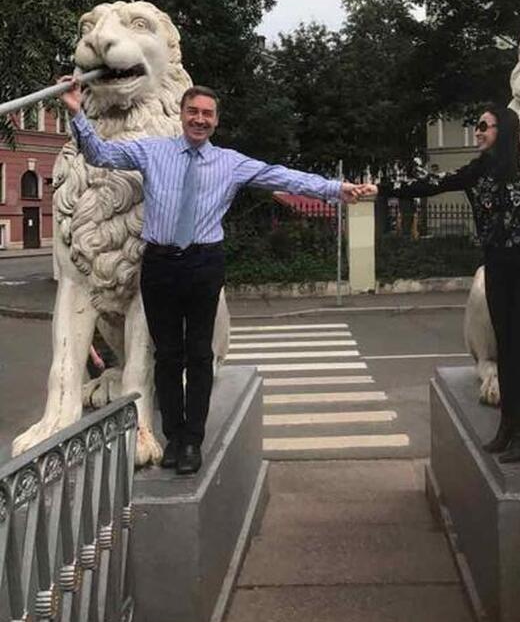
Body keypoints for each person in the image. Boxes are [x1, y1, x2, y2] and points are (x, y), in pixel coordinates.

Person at [60, 79, 371, 475]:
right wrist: (76, 112)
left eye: (207, 114)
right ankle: (173, 436)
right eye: (194, 112)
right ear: (182, 115)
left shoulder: (230, 162)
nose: (200, 120)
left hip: (204, 264)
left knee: (199, 355)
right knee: (167, 355)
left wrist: (336, 189)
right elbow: (99, 153)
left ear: (216, 121)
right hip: (160, 264)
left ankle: (192, 441)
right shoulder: (153, 152)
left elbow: (283, 177)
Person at [377, 105, 520, 463]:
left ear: (502, 130)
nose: (477, 133)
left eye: (483, 128)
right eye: (477, 128)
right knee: (505, 347)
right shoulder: (479, 171)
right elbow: (434, 184)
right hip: (498, 269)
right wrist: (380, 188)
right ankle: (508, 426)